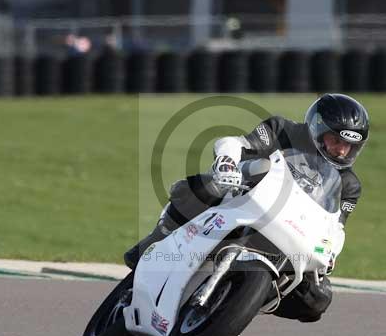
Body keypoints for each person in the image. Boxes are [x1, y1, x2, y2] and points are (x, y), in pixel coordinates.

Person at [124, 93, 370, 322]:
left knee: (318, 298)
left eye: (349, 146)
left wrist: (330, 253)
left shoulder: (349, 184)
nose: (341, 150)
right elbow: (237, 143)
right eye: (336, 140)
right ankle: (156, 240)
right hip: (243, 197)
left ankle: (245, 300)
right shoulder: (282, 130)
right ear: (318, 128)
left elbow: (336, 225)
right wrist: (227, 162)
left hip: (291, 230)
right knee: (204, 188)